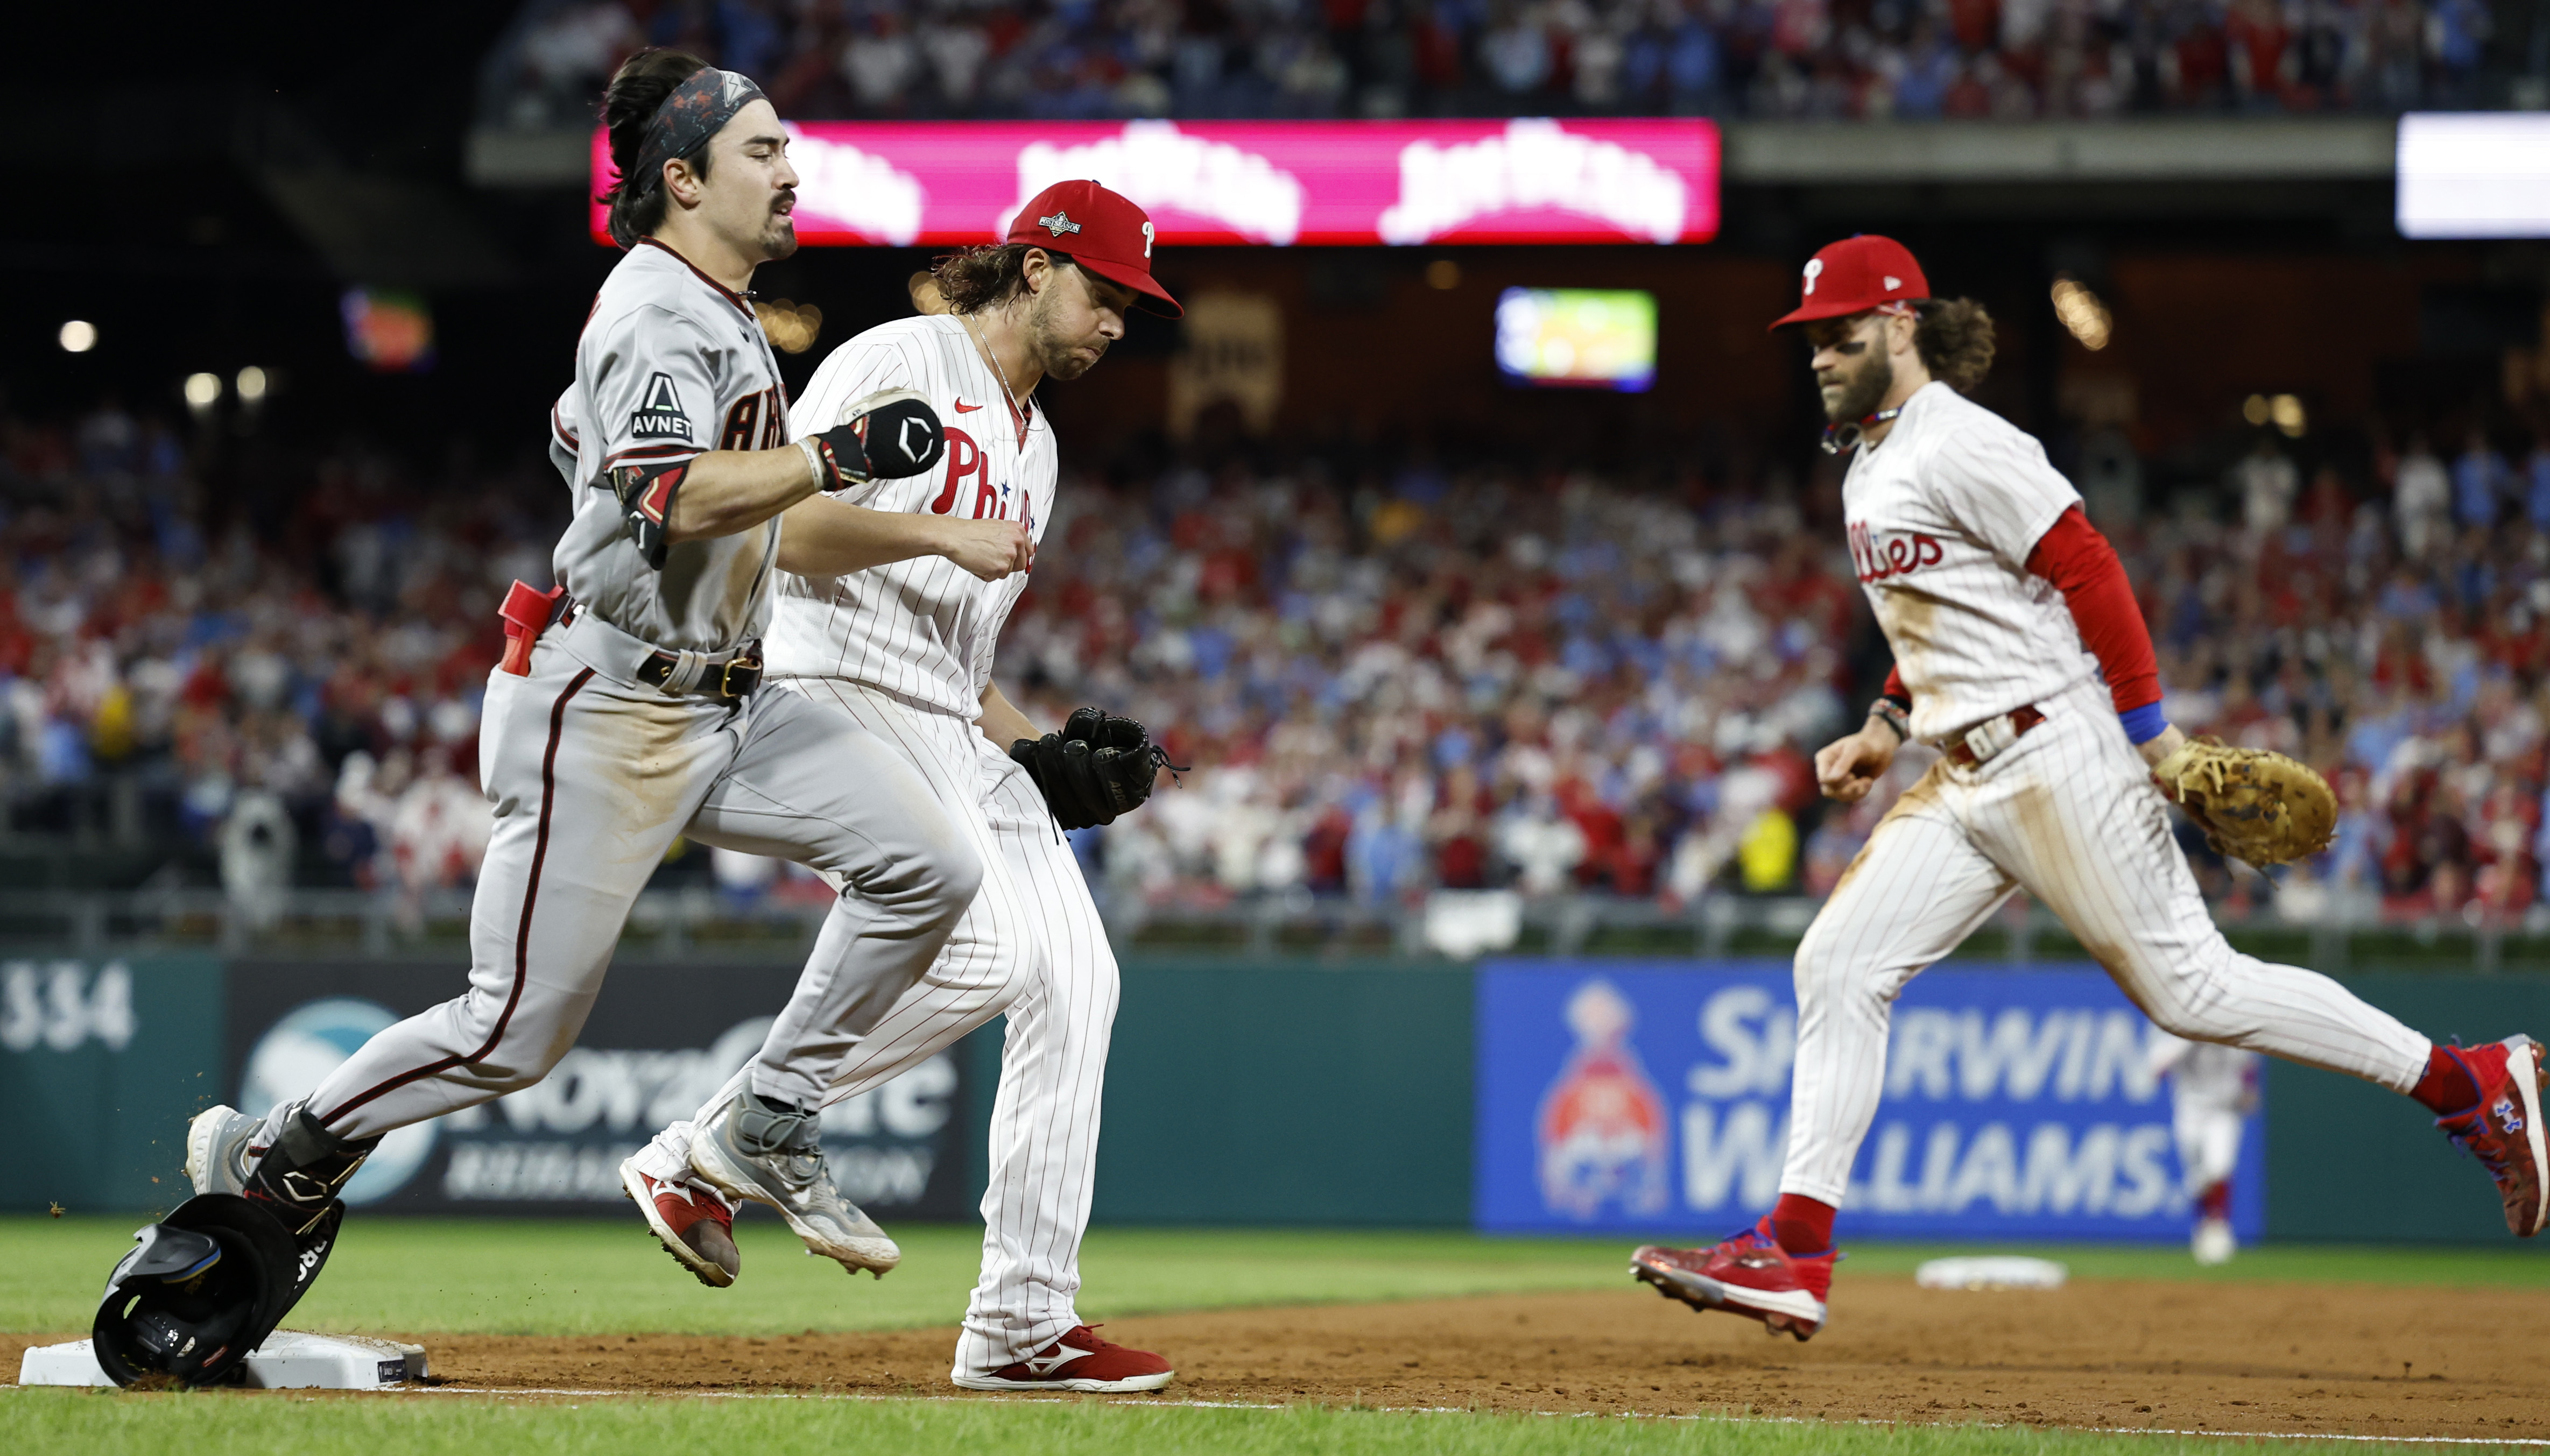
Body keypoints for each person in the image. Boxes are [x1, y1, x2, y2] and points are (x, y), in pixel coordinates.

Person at [1630, 235, 2547, 1341]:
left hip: (2057, 754)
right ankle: (1793, 1250)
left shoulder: (1959, 439)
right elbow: (1953, 613)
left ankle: (2474, 1085)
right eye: (1810, 338)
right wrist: (1882, 722)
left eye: (1841, 333)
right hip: (1959, 774)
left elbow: (2083, 564)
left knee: (2192, 995)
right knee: (1835, 963)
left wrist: (2152, 742)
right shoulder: (1869, 460)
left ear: (1901, 326)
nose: (1819, 354)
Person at [182, 50, 978, 1291]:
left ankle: (766, 1115)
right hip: (604, 708)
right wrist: (831, 455)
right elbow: (667, 489)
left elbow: (599, 444)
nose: (790, 171)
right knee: (512, 1033)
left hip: (723, 698)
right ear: (681, 178)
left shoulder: (708, 312)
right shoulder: (658, 306)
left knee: (929, 864)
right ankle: (282, 1151)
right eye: (761, 151)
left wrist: (885, 509)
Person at [622, 180, 1185, 1395]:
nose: (1118, 323)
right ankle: (718, 1140)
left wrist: (1045, 751)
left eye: (1134, 308)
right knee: (985, 957)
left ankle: (1021, 1324)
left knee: (1079, 980)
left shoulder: (1035, 448)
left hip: (940, 716)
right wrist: (935, 535)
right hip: (829, 686)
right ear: (1035, 268)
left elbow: (961, 666)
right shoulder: (903, 358)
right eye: (1106, 293)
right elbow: (777, 530)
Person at [2149, 1030, 2260, 1264]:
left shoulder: (2230, 1032)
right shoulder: (2182, 1035)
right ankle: (2204, 1228)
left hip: (2224, 1111)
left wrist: (2250, 1089)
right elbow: (2156, 1070)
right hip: (2190, 1114)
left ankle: (2219, 1227)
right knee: (2197, 1180)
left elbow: (2249, 1064)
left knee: (2219, 1169)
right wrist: (2189, 1042)